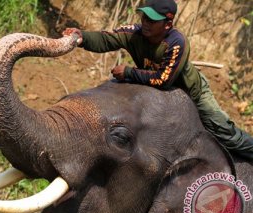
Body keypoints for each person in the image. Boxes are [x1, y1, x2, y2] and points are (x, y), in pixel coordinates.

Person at [62, 0, 253, 160]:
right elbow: (105, 39)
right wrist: (81, 37)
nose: (145, 23)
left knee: (226, 135)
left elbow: (163, 79)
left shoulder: (176, 42)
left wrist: (129, 72)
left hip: (192, 92)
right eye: (144, 17)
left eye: (152, 20)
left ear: (167, 24)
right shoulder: (134, 33)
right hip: (154, 92)